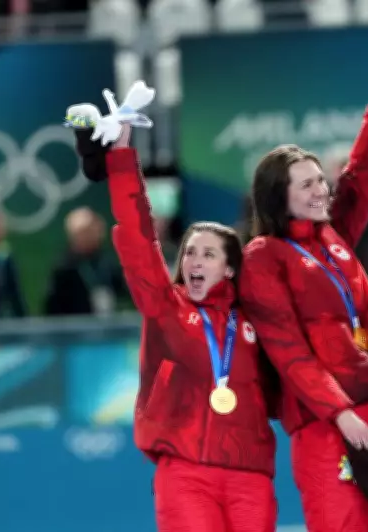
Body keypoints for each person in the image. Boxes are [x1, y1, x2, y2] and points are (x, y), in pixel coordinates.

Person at [237, 8, 368, 532]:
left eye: (320, 180)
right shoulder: (263, 256)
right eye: (307, 184)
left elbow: (366, 167)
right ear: (278, 195)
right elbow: (289, 350)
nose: (322, 190)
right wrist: (340, 415)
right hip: (325, 424)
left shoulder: (334, 235)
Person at [86, 121, 277, 531]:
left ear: (229, 268)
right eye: (190, 252)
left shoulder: (255, 319)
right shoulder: (166, 308)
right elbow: (139, 241)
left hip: (251, 472)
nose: (194, 261)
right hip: (186, 470)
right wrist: (122, 159)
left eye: (208, 254)